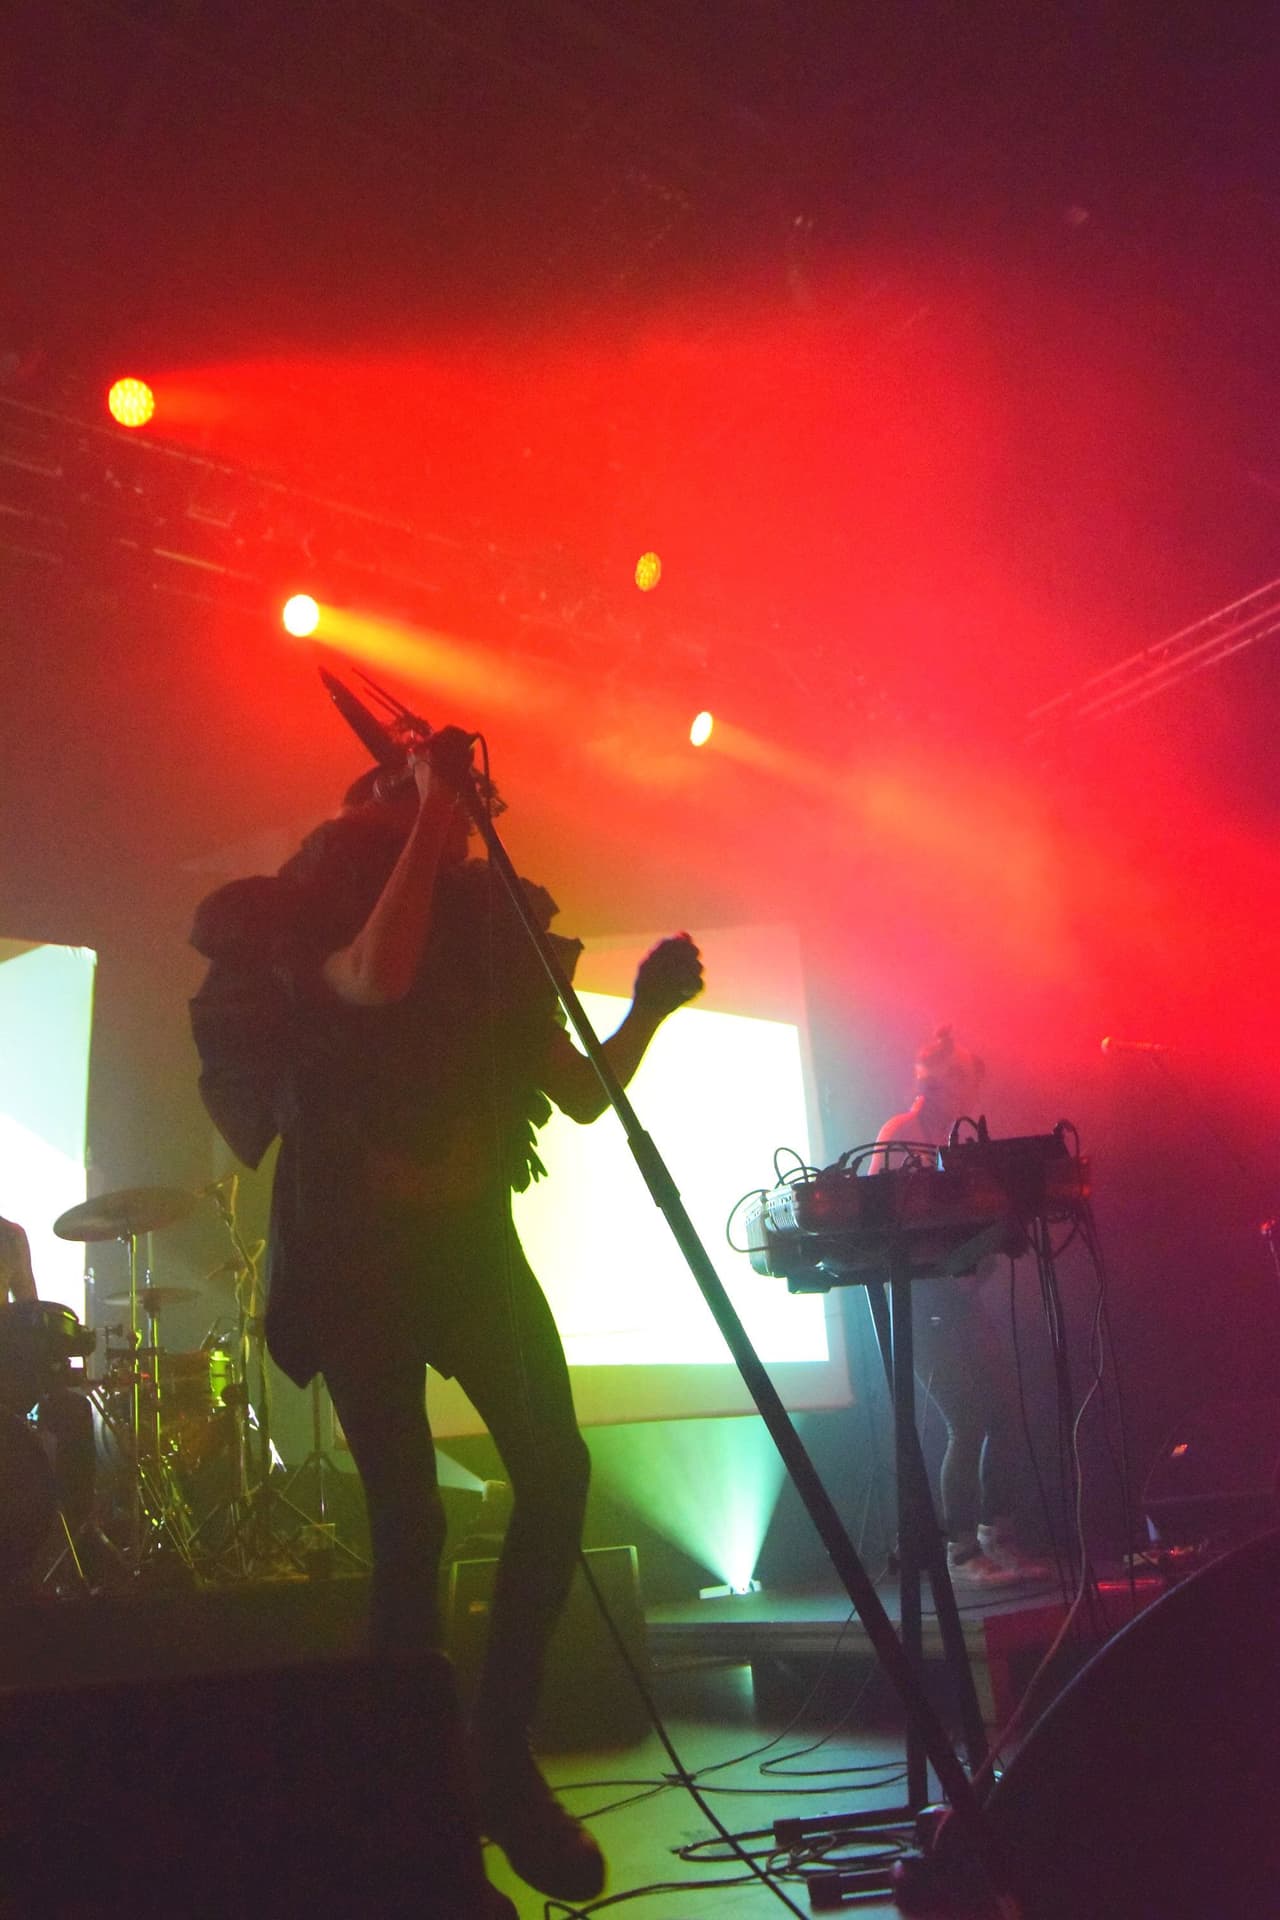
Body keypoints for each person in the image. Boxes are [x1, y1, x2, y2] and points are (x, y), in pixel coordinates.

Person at [190, 731, 703, 1903]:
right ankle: (409, 1806)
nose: (453, 805)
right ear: (368, 798)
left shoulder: (480, 925)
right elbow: (374, 979)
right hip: (357, 1253)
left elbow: (576, 1094)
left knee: (555, 1475)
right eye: (419, 788)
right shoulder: (302, 911)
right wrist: (428, 806)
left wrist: (648, 1011)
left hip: (470, 1247)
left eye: (457, 797)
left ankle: (497, 1758)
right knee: (408, 1519)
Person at [870, 1027, 1049, 1589]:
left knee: (1006, 1415)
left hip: (957, 1300)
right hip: (919, 1303)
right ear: (937, 1080)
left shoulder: (960, 1140)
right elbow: (878, 1224)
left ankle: (997, 1532)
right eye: (961, 1077)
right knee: (966, 1421)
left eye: (969, 1079)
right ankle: (961, 1549)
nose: (969, 1089)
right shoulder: (901, 1133)